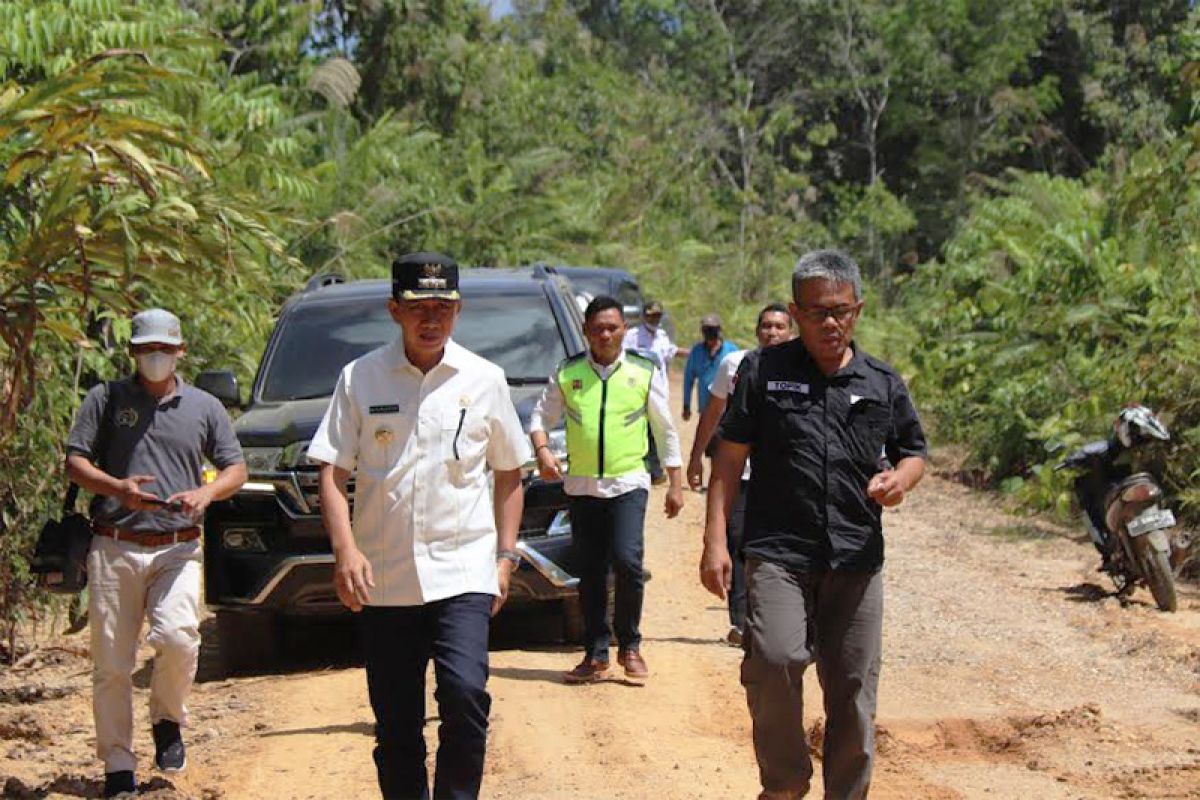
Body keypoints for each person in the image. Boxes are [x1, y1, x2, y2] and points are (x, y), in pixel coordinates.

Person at [700, 250, 927, 799]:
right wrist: (714, 543)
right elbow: (728, 459)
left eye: (842, 311)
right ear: (796, 313)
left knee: (852, 689)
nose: (831, 322)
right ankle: (783, 784)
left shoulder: (881, 381)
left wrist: (900, 480)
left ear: (858, 310)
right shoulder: (763, 372)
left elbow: (914, 452)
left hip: (855, 558)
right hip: (779, 551)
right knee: (774, 659)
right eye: (818, 312)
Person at [309, 252, 530, 800]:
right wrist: (346, 553)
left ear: (458, 311)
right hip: (385, 578)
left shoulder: (485, 379)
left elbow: (509, 473)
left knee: (464, 696)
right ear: (394, 310)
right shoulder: (359, 378)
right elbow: (332, 472)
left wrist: (505, 558)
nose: (431, 320)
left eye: (443, 307)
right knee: (397, 723)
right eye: (418, 308)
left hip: (463, 572)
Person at [65, 308, 247, 799]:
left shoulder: (205, 407)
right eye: (146, 350)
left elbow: (235, 469)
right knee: (112, 664)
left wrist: (205, 495)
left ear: (180, 351)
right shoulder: (105, 400)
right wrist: (115, 487)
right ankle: (118, 767)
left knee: (179, 637)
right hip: (114, 544)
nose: (155, 358)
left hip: (178, 546)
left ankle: (168, 720)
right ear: (132, 353)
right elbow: (75, 461)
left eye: (164, 350)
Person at [530, 295, 684, 684]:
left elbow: (665, 429)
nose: (605, 334)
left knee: (628, 562)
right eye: (597, 328)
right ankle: (596, 653)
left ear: (624, 331)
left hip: (628, 483)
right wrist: (543, 451)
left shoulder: (643, 371)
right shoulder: (568, 374)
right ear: (586, 331)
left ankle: (630, 646)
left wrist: (676, 482)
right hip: (581, 487)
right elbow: (539, 418)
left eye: (612, 327)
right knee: (591, 570)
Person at [686, 303, 793, 647]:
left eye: (779, 326)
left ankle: (773, 618)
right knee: (738, 541)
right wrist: (695, 458)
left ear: (790, 331)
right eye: (766, 326)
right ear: (757, 330)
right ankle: (742, 623)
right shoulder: (734, 364)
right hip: (740, 472)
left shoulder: (803, 369)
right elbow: (713, 412)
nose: (772, 332)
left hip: (782, 475)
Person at [622, 299, 683, 484]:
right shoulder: (632, 335)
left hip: (658, 389)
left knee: (658, 428)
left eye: (657, 316)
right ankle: (648, 469)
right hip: (636, 388)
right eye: (651, 316)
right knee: (640, 427)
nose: (654, 319)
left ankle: (655, 470)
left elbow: (671, 352)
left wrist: (696, 351)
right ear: (644, 316)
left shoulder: (662, 336)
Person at [682, 313, 738, 423]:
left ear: (719, 330)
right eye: (706, 329)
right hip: (705, 408)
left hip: (727, 410)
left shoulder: (731, 350)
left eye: (712, 329)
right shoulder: (696, 351)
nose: (709, 332)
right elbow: (688, 379)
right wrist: (686, 404)